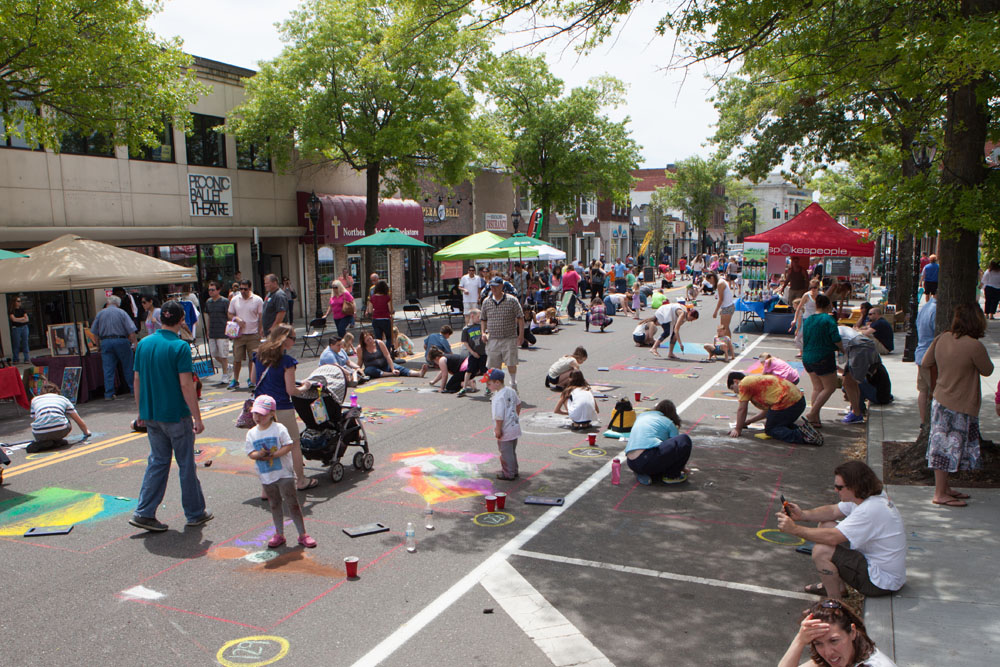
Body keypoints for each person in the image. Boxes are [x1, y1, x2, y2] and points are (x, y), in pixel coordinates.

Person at [129, 300, 211, 532]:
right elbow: (186, 385)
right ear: (181, 320)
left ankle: (144, 511)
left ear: (160, 319)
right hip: (175, 413)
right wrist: (197, 417)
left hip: (152, 413)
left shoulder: (144, 344)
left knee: (158, 461)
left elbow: (137, 379)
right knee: (185, 464)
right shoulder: (180, 347)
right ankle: (195, 512)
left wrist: (141, 411)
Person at [776, 460, 906, 600]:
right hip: (881, 569)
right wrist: (803, 515)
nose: (836, 490)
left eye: (839, 487)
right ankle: (837, 587)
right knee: (826, 525)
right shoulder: (868, 497)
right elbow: (833, 511)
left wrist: (794, 529)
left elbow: (833, 537)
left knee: (821, 551)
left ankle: (833, 604)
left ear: (855, 486)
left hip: (881, 582)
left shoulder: (869, 510)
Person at [922, 303, 993, 507]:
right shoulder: (974, 346)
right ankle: (939, 493)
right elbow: (987, 370)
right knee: (948, 449)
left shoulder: (942, 338)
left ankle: (944, 488)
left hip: (940, 399)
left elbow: (926, 362)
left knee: (941, 446)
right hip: (961, 403)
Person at [250, 323, 316, 491]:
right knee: (293, 444)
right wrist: (305, 387)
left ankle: (267, 488)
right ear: (285, 339)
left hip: (262, 408)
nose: (294, 341)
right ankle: (300, 480)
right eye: (293, 338)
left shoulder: (257, 356)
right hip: (281, 407)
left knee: (266, 445)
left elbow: (253, 379)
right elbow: (291, 390)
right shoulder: (287, 362)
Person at [244, 394, 317, 548]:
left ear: (272, 414)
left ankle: (302, 534)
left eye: (262, 414)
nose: (258, 417)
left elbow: (288, 445)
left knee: (292, 503)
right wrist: (260, 454)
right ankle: (279, 534)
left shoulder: (279, 428)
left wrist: (275, 454)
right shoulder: (251, 433)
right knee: (274, 504)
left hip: (284, 473)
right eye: (255, 413)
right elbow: (250, 453)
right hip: (266, 475)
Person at [778, 599, 898, 667]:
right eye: (818, 643)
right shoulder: (845, 656)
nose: (828, 652)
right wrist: (799, 640)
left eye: (834, 641)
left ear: (852, 632)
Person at [727, 372, 823, 445]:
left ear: (736, 381)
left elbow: (742, 409)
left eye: (732, 388)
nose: (735, 392)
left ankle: (803, 436)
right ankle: (805, 430)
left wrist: (738, 429)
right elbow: (768, 412)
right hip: (797, 401)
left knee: (771, 429)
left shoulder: (743, 384)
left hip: (789, 403)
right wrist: (748, 421)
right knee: (778, 423)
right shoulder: (754, 382)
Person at [623, 399, 692, 485]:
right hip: (646, 460)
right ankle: (672, 476)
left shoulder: (642, 416)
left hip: (631, 462)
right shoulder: (668, 422)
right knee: (684, 439)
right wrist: (682, 468)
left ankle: (643, 472)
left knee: (654, 455)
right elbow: (677, 449)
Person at [801, 294, 843, 428]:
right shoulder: (828, 319)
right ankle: (812, 413)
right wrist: (843, 349)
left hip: (808, 356)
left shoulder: (808, 319)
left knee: (817, 388)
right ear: (828, 305)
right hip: (823, 356)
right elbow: (836, 338)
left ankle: (815, 419)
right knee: (830, 387)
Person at [480, 276, 525, 390]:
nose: (493, 289)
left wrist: (521, 335)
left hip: (509, 337)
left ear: (501, 286)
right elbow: (483, 319)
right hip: (493, 338)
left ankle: (513, 383)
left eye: (496, 286)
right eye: (492, 286)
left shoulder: (512, 300)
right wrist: (483, 332)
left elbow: (520, 317)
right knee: (494, 366)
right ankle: (498, 388)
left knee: (511, 363)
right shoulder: (486, 301)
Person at [91, 295, 137, 400]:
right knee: (128, 366)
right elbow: (131, 330)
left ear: (108, 303)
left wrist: (98, 345)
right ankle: (133, 389)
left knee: (108, 369)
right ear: (118, 303)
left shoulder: (100, 314)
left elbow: (95, 332)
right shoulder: (122, 313)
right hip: (121, 340)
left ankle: (109, 393)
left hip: (105, 341)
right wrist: (134, 343)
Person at [27, 381, 91, 452]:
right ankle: (57, 441)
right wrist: (86, 432)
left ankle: (46, 442)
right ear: (57, 391)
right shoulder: (63, 399)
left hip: (39, 433)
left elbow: (36, 419)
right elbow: (77, 419)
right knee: (65, 419)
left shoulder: (35, 400)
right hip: (60, 430)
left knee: (42, 422)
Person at [484, 368, 521, 480]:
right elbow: (518, 404)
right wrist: (515, 416)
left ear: (497, 382)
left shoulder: (498, 397)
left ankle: (508, 473)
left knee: (505, 453)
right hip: (514, 426)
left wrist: (498, 429)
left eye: (489, 384)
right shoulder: (511, 391)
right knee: (511, 451)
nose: (487, 386)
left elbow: (499, 416)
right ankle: (514, 470)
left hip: (505, 429)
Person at [228, 280, 264, 391]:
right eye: (241, 289)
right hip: (239, 334)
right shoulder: (235, 299)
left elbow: (261, 316)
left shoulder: (257, 300)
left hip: (253, 334)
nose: (243, 291)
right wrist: (236, 319)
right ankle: (235, 380)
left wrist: (260, 330)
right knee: (237, 358)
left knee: (253, 359)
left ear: (250, 288)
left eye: (245, 289)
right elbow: (230, 313)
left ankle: (251, 379)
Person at [360, 330, 426, 379]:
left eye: (370, 338)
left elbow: (387, 356)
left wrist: (393, 369)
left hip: (385, 365)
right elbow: (360, 361)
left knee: (400, 368)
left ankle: (418, 373)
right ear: (364, 342)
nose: (370, 341)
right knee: (368, 370)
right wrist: (358, 370)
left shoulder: (379, 343)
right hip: (373, 368)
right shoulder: (360, 348)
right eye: (367, 340)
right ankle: (390, 374)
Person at [914, 296, 938, 429]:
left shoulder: (925, 307)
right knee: (936, 391)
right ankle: (933, 423)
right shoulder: (936, 310)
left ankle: (924, 422)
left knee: (923, 390)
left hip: (921, 353)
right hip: (930, 357)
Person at [203, 281, 231, 384]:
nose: (210, 292)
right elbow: (208, 317)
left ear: (218, 290)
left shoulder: (224, 301)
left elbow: (229, 315)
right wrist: (208, 330)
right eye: (209, 290)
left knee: (223, 354)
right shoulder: (208, 302)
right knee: (214, 353)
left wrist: (230, 329)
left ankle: (225, 375)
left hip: (222, 331)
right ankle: (228, 366)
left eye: (213, 290)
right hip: (212, 331)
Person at [458, 309, 487, 396]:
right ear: (472, 316)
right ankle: (464, 387)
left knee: (484, 370)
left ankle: (488, 387)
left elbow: (485, 334)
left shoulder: (480, 326)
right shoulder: (466, 329)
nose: (479, 319)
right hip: (473, 353)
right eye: (478, 317)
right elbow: (465, 343)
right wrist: (472, 352)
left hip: (483, 352)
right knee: (469, 370)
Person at [792, 279, 821, 356]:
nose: (813, 289)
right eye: (811, 287)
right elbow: (798, 308)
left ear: (818, 287)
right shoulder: (806, 295)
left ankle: (813, 352)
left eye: (815, 287)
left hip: (817, 319)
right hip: (807, 318)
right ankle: (804, 351)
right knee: (801, 337)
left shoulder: (821, 295)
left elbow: (825, 307)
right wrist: (794, 319)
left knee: (816, 337)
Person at [366, 280, 394, 350]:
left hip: (376, 319)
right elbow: (390, 310)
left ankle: (380, 351)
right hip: (385, 319)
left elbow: (370, 311)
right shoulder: (387, 297)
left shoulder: (372, 298)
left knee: (378, 339)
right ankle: (387, 351)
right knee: (389, 337)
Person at [8, 296, 31, 363]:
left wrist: (18, 319)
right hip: (16, 328)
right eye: (18, 301)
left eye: (20, 301)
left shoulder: (22, 309)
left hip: (24, 327)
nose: (19, 302)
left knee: (25, 343)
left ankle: (26, 358)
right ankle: (16, 359)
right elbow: (13, 319)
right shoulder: (12, 310)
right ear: (14, 302)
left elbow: (27, 319)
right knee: (16, 344)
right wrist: (22, 319)